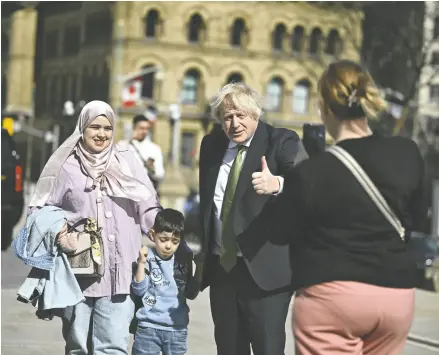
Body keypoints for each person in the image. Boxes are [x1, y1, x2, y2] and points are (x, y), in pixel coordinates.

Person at [271, 60, 429, 354]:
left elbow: (280, 231)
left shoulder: (312, 172)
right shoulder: (407, 154)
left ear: (325, 107)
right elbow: (418, 219)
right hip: (395, 294)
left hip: (333, 297)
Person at [28, 100, 162, 355]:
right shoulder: (65, 166)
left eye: (107, 128)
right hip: (77, 273)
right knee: (77, 346)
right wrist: (60, 234)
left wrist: (166, 234)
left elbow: (147, 205)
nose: (101, 134)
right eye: (95, 127)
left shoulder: (128, 161)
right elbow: (39, 209)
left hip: (119, 272)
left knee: (113, 346)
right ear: (82, 128)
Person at [198, 82, 308, 355]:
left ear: (256, 114)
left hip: (265, 273)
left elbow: (307, 184)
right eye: (227, 116)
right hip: (223, 268)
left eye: (240, 115)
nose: (234, 123)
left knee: (266, 349)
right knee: (228, 348)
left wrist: (278, 184)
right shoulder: (211, 145)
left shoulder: (282, 140)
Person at [131, 208, 203, 355]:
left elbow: (191, 293)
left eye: (175, 241)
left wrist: (200, 268)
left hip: (176, 329)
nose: (168, 246)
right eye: (163, 240)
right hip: (148, 328)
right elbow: (139, 290)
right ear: (152, 235)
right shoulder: (148, 257)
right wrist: (141, 263)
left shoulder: (183, 261)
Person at [118, 114, 165, 194]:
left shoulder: (154, 149)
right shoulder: (122, 145)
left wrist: (152, 169)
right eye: (141, 128)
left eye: (147, 129)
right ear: (134, 128)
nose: (145, 132)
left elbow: (160, 174)